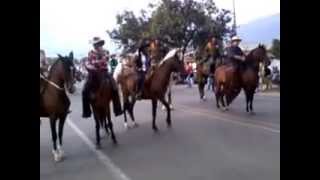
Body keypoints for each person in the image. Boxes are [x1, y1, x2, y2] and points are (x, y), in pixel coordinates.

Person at [82, 37, 122, 118]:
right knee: (84, 89)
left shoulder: (106, 51)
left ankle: (117, 109)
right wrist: (92, 65)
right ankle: (86, 111)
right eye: (96, 44)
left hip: (104, 72)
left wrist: (95, 63)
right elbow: (90, 62)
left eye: (98, 44)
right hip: (93, 73)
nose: (97, 46)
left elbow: (105, 61)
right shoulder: (91, 53)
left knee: (115, 87)